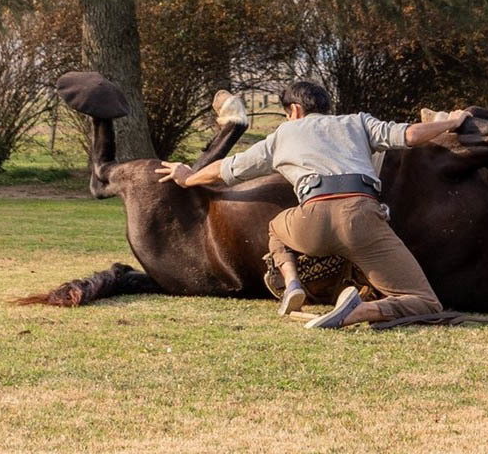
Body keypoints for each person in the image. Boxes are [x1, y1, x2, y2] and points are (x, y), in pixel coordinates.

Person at [155, 82, 469, 329]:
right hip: (363, 219)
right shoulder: (357, 122)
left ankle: (292, 284)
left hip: (311, 224)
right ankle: (361, 312)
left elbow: (228, 169)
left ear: (293, 110)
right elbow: (411, 135)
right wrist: (452, 122)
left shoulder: (282, 135)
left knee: (276, 227)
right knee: (425, 302)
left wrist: (188, 177)